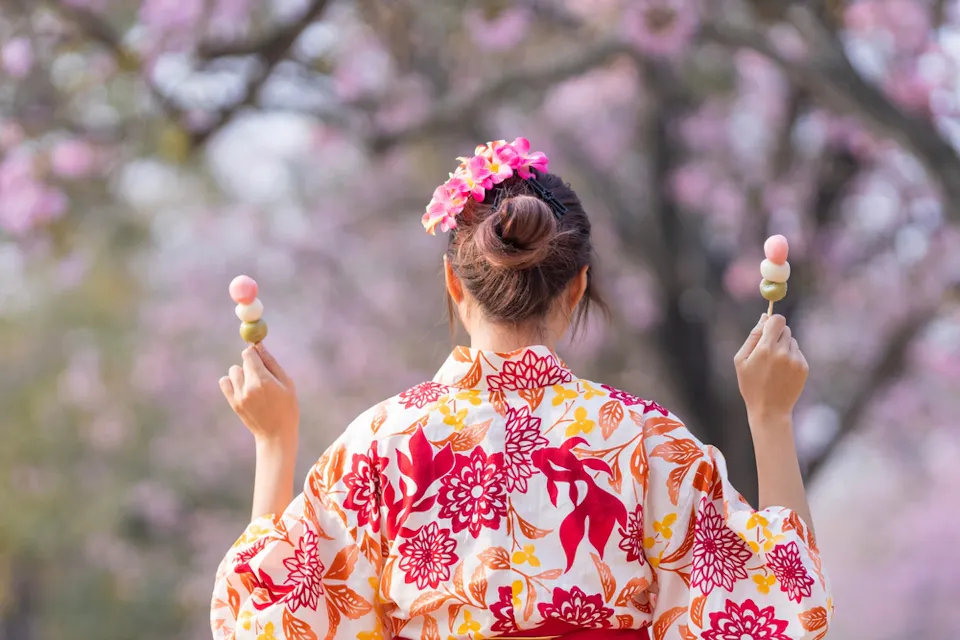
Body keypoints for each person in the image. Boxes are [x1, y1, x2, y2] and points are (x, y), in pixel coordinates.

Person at [211, 139, 832, 640]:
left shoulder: (379, 447)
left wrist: (274, 442)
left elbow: (271, 618)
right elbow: (781, 613)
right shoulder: (646, 444)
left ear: (454, 284)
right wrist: (771, 418)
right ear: (579, 286)